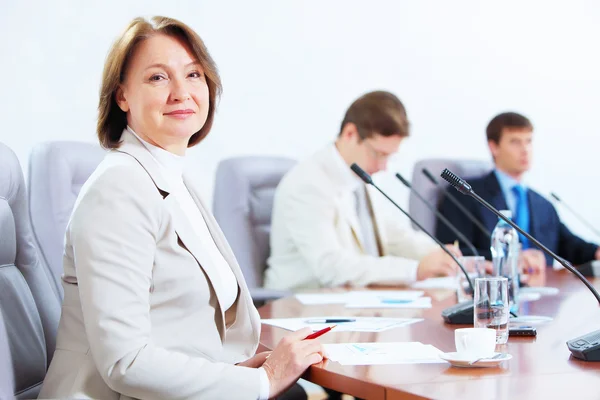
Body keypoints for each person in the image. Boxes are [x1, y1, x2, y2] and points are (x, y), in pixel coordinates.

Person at [38, 16, 323, 400]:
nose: (181, 92)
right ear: (122, 96)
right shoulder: (119, 189)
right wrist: (260, 382)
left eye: (193, 75)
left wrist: (237, 372)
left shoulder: (172, 180)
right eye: (158, 77)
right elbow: (127, 362)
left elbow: (177, 328)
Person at [265, 91, 460, 291]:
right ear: (350, 134)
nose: (383, 167)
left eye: (389, 157)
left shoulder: (359, 177)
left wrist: (442, 256)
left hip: (353, 300)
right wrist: (414, 270)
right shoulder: (308, 183)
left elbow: (392, 235)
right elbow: (330, 265)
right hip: (300, 306)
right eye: (379, 154)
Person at [436, 112, 600, 272]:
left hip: (544, 291)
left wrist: (595, 252)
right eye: (515, 142)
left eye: (528, 141)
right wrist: (512, 258)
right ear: (494, 147)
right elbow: (455, 250)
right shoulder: (466, 194)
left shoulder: (542, 204)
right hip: (494, 292)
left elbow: (568, 244)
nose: (525, 149)